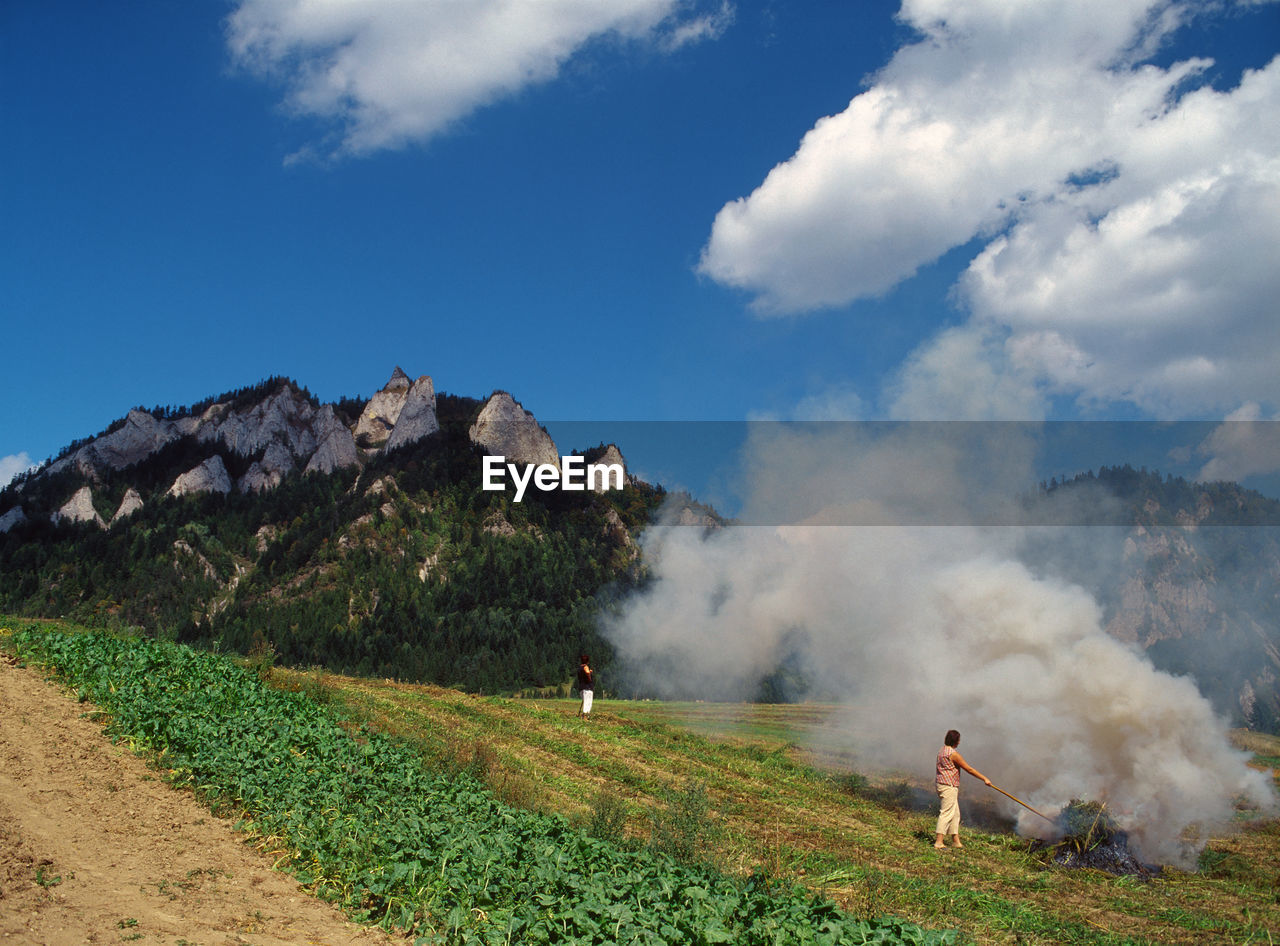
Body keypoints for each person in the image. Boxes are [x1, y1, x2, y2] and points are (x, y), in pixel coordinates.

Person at [935, 729, 990, 849]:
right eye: (958, 740)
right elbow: (969, 769)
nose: (959, 742)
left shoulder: (942, 750)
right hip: (948, 786)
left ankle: (956, 841)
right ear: (956, 741)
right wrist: (984, 779)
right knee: (946, 813)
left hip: (944, 785)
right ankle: (939, 842)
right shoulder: (953, 754)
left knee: (955, 814)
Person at [576, 654, 595, 719]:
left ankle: (585, 716)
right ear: (587, 661)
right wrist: (590, 674)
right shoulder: (585, 667)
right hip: (587, 687)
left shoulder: (579, 668)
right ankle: (585, 717)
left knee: (585, 701)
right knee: (588, 702)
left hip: (581, 687)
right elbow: (587, 673)